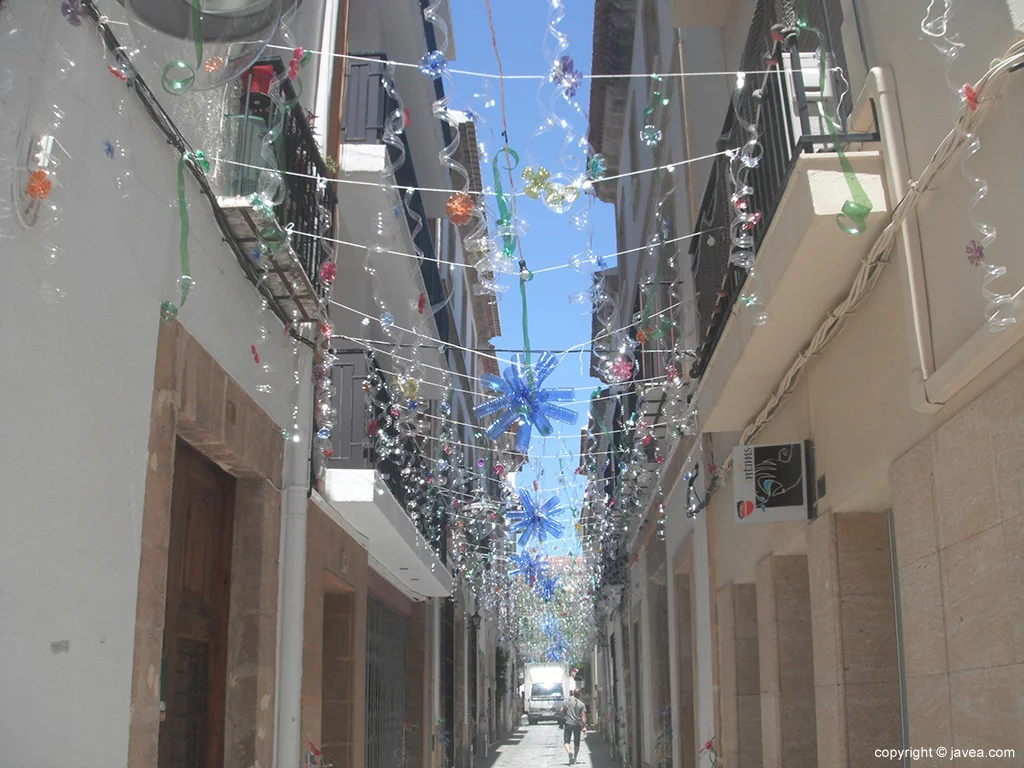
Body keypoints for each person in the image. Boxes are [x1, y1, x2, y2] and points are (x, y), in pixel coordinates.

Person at [561, 689, 587, 765]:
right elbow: (583, 716)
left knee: (566, 741)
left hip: (568, 723)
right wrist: (584, 727)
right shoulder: (582, 704)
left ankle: (569, 752)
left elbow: (561, 710)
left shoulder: (568, 701)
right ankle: (575, 758)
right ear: (580, 694)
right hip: (577, 725)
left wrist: (566, 713)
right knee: (577, 742)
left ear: (573, 693)